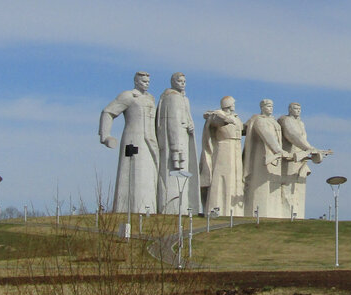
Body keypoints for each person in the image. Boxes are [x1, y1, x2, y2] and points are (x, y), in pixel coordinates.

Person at [99, 72, 159, 215]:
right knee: (134, 173)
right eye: (144, 81)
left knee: (149, 174)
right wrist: (105, 136)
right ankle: (129, 208)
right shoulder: (128, 96)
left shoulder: (151, 98)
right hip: (133, 140)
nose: (147, 84)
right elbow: (108, 112)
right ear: (136, 82)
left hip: (151, 141)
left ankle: (148, 208)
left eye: (148, 81)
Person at [277, 103, 332, 220]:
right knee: (288, 186)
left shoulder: (301, 123)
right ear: (290, 110)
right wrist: (309, 148)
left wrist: (312, 152)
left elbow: (302, 139)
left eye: (299, 109)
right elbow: (293, 135)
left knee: (297, 187)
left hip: (302, 158)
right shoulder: (287, 121)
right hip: (291, 158)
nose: (298, 111)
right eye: (295, 109)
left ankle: (296, 214)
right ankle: (288, 215)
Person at [156, 72, 200, 215]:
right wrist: (176, 148)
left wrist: (191, 125)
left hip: (183, 138)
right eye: (180, 81)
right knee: (175, 176)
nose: (183, 83)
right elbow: (172, 122)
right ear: (173, 82)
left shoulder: (183, 99)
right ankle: (173, 208)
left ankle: (182, 207)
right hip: (176, 144)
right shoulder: (172, 98)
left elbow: (187, 118)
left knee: (183, 177)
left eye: (184, 81)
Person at [242, 99, 291, 219]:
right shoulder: (259, 120)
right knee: (261, 183)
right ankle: (258, 212)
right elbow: (267, 136)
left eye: (272, 106)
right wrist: (278, 150)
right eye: (268, 106)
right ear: (262, 107)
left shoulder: (274, 122)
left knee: (274, 185)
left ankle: (274, 213)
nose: (271, 108)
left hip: (276, 158)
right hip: (261, 155)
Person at [199, 96, 244, 220]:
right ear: (228, 104)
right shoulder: (217, 114)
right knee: (221, 178)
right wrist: (225, 119)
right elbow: (216, 120)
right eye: (233, 103)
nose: (234, 105)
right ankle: (217, 208)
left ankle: (235, 211)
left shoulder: (236, 117)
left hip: (236, 148)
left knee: (235, 178)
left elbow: (242, 129)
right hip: (224, 148)